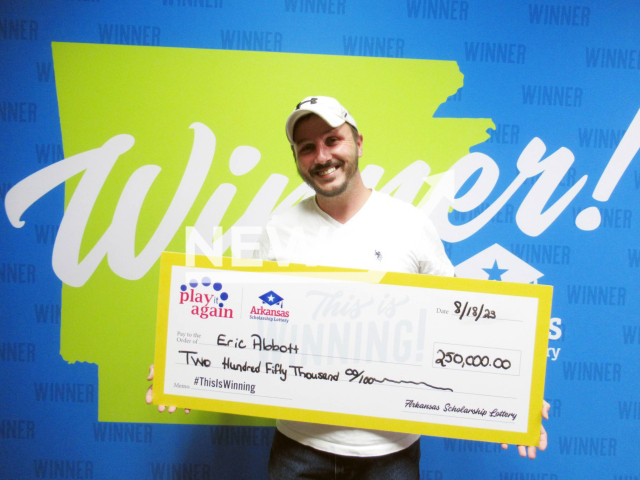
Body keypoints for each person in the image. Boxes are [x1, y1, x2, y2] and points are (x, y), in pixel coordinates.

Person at [146, 96, 550, 478]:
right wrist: (184, 367)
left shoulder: (410, 225)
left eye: (332, 140)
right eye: (306, 147)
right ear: (297, 159)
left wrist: (511, 396)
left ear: (357, 142)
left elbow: (461, 322)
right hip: (298, 448)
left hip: (390, 453)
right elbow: (251, 325)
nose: (321, 157)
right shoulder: (277, 231)